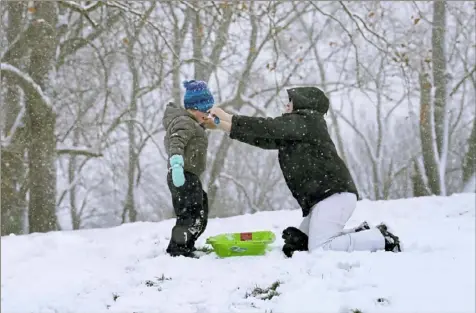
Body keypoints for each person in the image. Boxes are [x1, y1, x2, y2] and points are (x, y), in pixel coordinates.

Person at [208, 86, 402, 257]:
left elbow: (268, 127)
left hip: (334, 196)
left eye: (289, 102)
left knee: (320, 248)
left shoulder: (307, 121)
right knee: (300, 245)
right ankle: (362, 233)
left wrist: (228, 117)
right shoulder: (298, 128)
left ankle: (381, 238)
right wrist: (221, 126)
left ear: (303, 103)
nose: (286, 106)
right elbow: (263, 138)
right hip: (325, 198)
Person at [162, 79, 217, 258]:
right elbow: (176, 142)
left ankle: (186, 245)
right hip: (181, 173)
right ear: (193, 108)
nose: (207, 114)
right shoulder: (184, 123)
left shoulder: (193, 123)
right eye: (205, 110)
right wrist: (176, 164)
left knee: (199, 210)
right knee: (191, 213)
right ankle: (178, 249)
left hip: (188, 175)